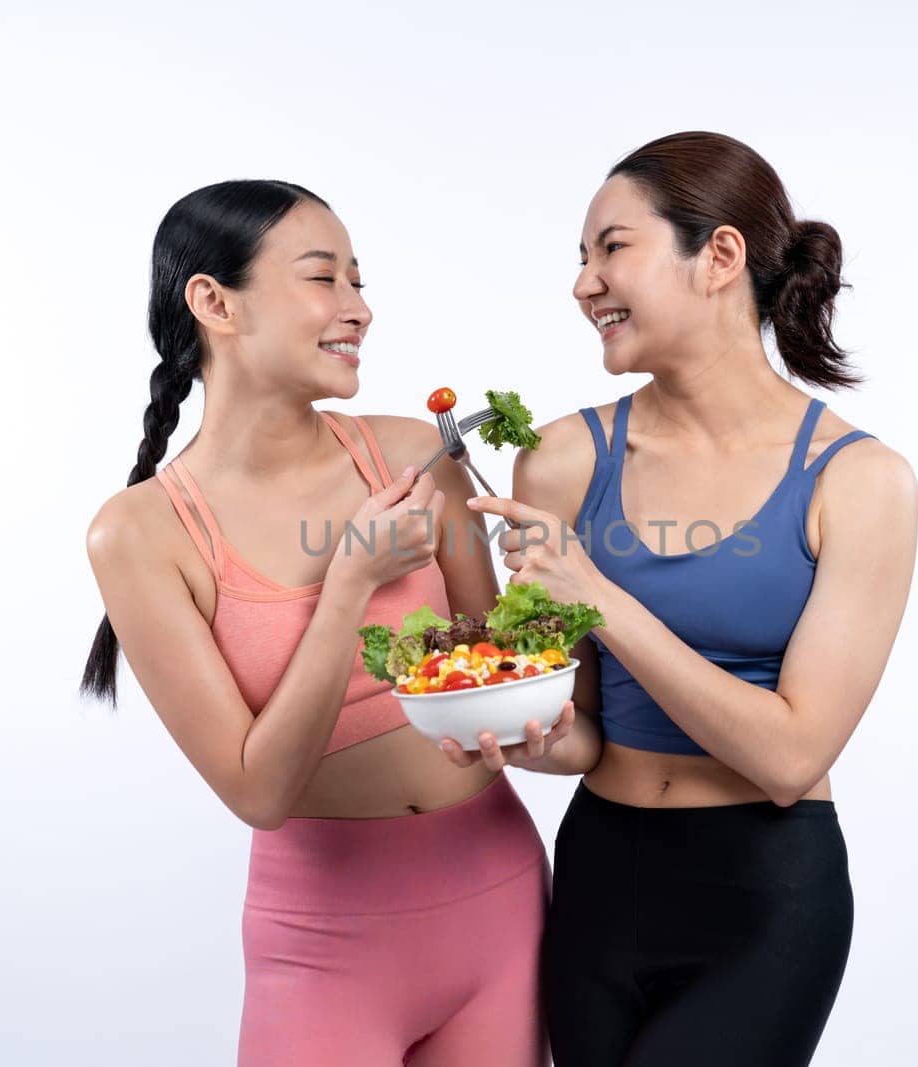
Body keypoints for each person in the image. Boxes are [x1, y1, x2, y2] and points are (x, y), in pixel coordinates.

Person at [454, 132, 918, 1066]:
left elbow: (790, 755)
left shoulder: (859, 481)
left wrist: (602, 596)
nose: (584, 283)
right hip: (599, 879)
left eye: (611, 248)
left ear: (720, 256)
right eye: (581, 258)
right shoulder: (559, 459)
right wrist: (525, 736)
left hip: (764, 898)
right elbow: (582, 726)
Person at [80, 179, 565, 1066]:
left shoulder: (417, 455)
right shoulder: (142, 533)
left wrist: (545, 621)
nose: (360, 308)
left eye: (358, 279)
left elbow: (504, 668)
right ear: (214, 302)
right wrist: (349, 585)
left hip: (501, 900)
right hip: (324, 944)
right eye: (324, 279)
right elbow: (255, 792)